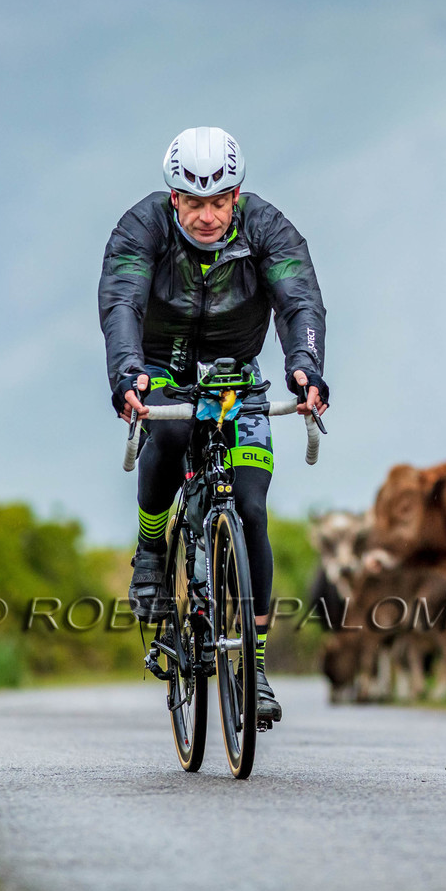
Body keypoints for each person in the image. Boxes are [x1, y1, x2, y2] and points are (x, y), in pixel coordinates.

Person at [98, 126, 328, 724]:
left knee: (250, 506)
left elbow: (299, 302)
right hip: (161, 366)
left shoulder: (267, 228)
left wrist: (304, 371)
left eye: (218, 202)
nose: (206, 216)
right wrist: (127, 375)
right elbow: (121, 301)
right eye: (193, 203)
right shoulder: (140, 227)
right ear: (174, 198)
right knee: (170, 434)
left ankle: (252, 667)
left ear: (236, 195)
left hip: (236, 372)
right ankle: (152, 547)